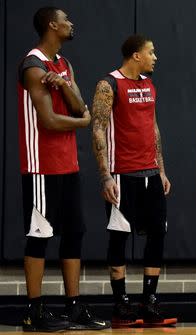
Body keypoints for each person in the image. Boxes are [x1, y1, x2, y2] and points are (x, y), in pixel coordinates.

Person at [18, 7, 109, 332]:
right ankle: (34, 311)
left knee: (75, 233)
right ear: (52, 26)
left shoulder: (63, 64)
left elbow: (77, 104)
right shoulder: (32, 65)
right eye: (66, 19)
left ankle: (73, 308)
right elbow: (50, 120)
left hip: (68, 164)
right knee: (40, 236)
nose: (71, 23)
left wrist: (65, 85)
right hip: (41, 166)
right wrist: (84, 121)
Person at [91, 34, 176, 328]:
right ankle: (120, 305)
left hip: (150, 173)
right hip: (120, 174)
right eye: (151, 52)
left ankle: (149, 301)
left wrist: (161, 169)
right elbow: (98, 130)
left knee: (157, 235)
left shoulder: (149, 85)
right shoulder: (109, 84)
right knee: (119, 237)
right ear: (136, 55)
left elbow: (153, 129)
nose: (155, 57)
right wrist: (105, 176)